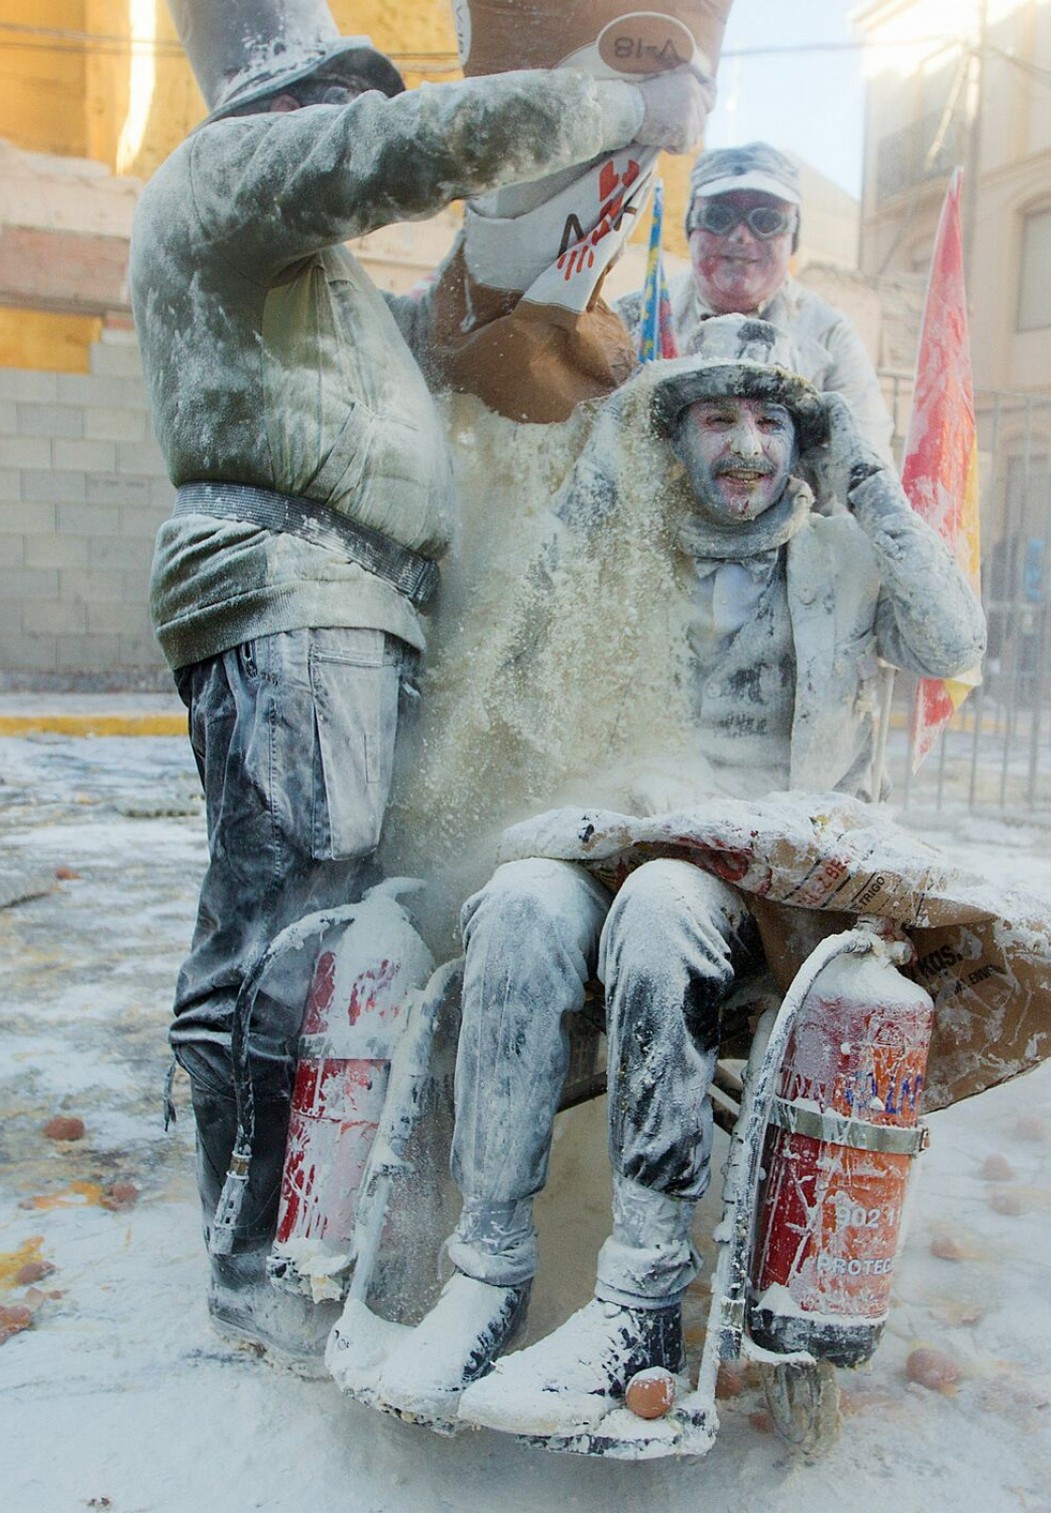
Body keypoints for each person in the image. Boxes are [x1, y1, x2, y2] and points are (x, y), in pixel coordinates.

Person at [131, 0, 713, 1362]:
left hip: (349, 601)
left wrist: (546, 263)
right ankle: (260, 1258)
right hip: (293, 581)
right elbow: (409, 148)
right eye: (330, 98)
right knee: (296, 920)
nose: (341, 122)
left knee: (329, 918)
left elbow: (443, 335)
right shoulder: (221, 180)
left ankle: (302, 1223)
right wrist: (614, 104)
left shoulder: (306, 287)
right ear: (276, 104)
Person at [376, 317, 985, 1433]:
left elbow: (953, 642)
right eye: (716, 418)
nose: (746, 445)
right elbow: (514, 663)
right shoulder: (630, 557)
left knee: (663, 905)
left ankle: (641, 1300)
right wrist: (595, 490)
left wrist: (865, 480)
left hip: (778, 888)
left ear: (801, 440)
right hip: (626, 835)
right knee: (514, 902)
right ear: (678, 440)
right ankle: (488, 1271)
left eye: (769, 419)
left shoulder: (842, 559)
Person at [616, 141, 895, 458]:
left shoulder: (830, 337)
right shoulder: (630, 322)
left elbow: (867, 463)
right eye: (718, 217)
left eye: (766, 221)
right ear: (691, 228)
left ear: (794, 238)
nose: (742, 236)